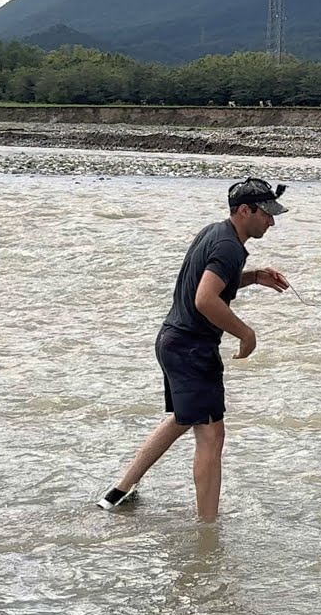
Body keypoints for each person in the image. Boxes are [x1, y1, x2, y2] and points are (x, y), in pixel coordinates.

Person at [97, 177, 292, 521]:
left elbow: (208, 281)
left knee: (184, 419)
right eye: (266, 213)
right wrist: (246, 334)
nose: (272, 221)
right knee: (212, 435)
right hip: (192, 349)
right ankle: (208, 532)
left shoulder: (215, 232)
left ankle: (118, 492)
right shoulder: (229, 247)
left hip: (173, 340)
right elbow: (205, 299)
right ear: (244, 211)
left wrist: (253, 276)